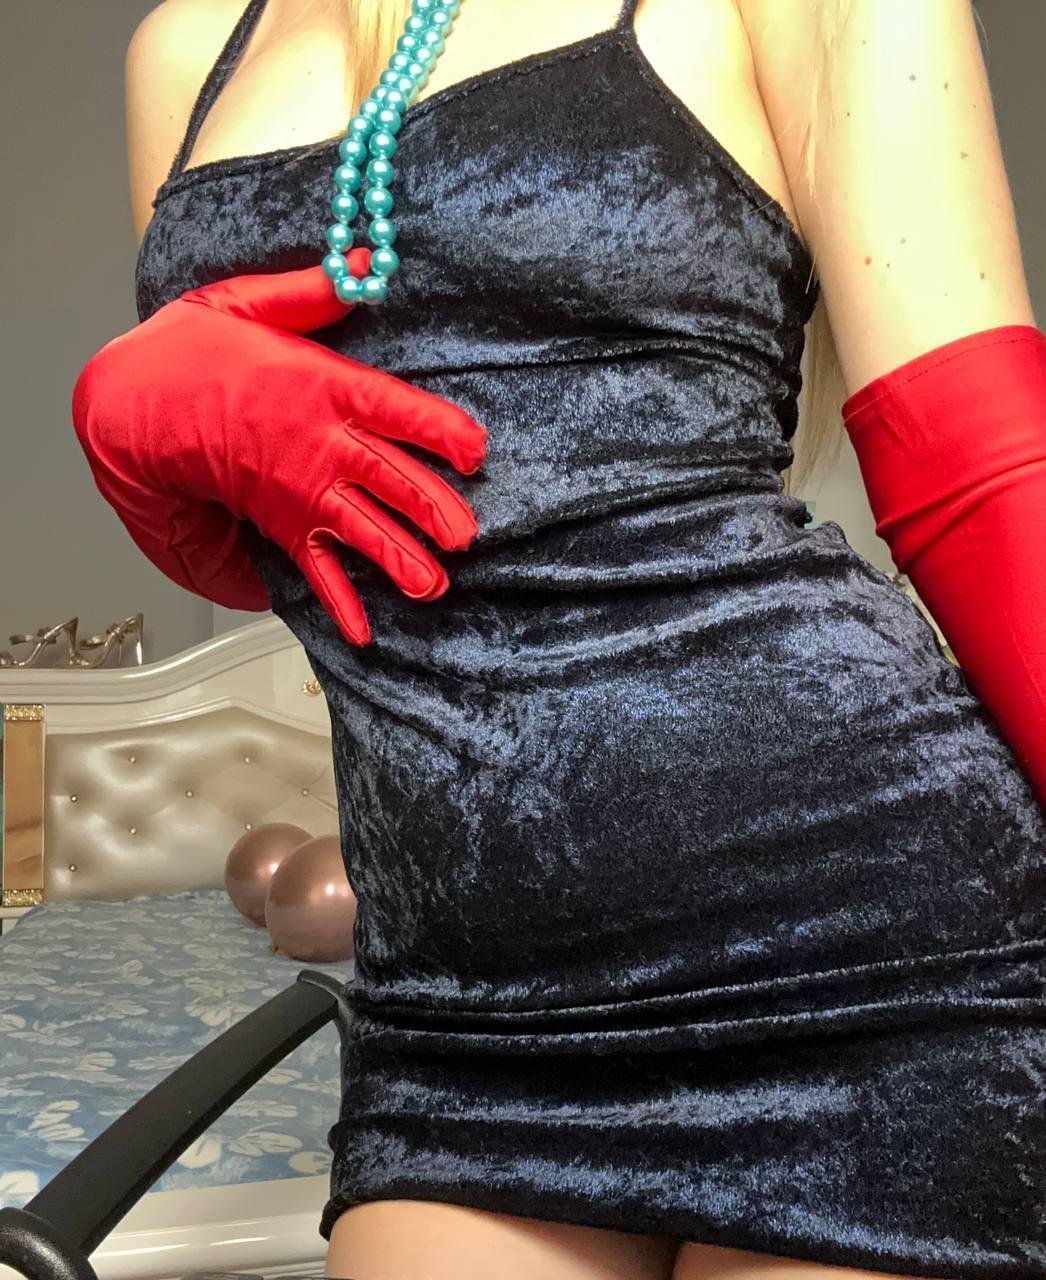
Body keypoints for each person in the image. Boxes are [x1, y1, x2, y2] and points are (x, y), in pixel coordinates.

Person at [71, 0, 1046, 1277]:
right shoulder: (184, 54)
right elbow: (303, 551)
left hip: (863, 955)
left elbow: (979, 475)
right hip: (460, 1007)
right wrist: (123, 409)